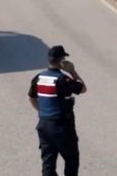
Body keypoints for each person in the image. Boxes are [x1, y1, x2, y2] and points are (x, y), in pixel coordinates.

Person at [28, 45, 87, 176]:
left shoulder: (38, 78)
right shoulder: (63, 79)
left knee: (48, 163)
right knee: (71, 159)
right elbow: (82, 89)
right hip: (62, 127)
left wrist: (42, 112)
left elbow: (31, 97)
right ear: (61, 61)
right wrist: (72, 71)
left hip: (44, 125)